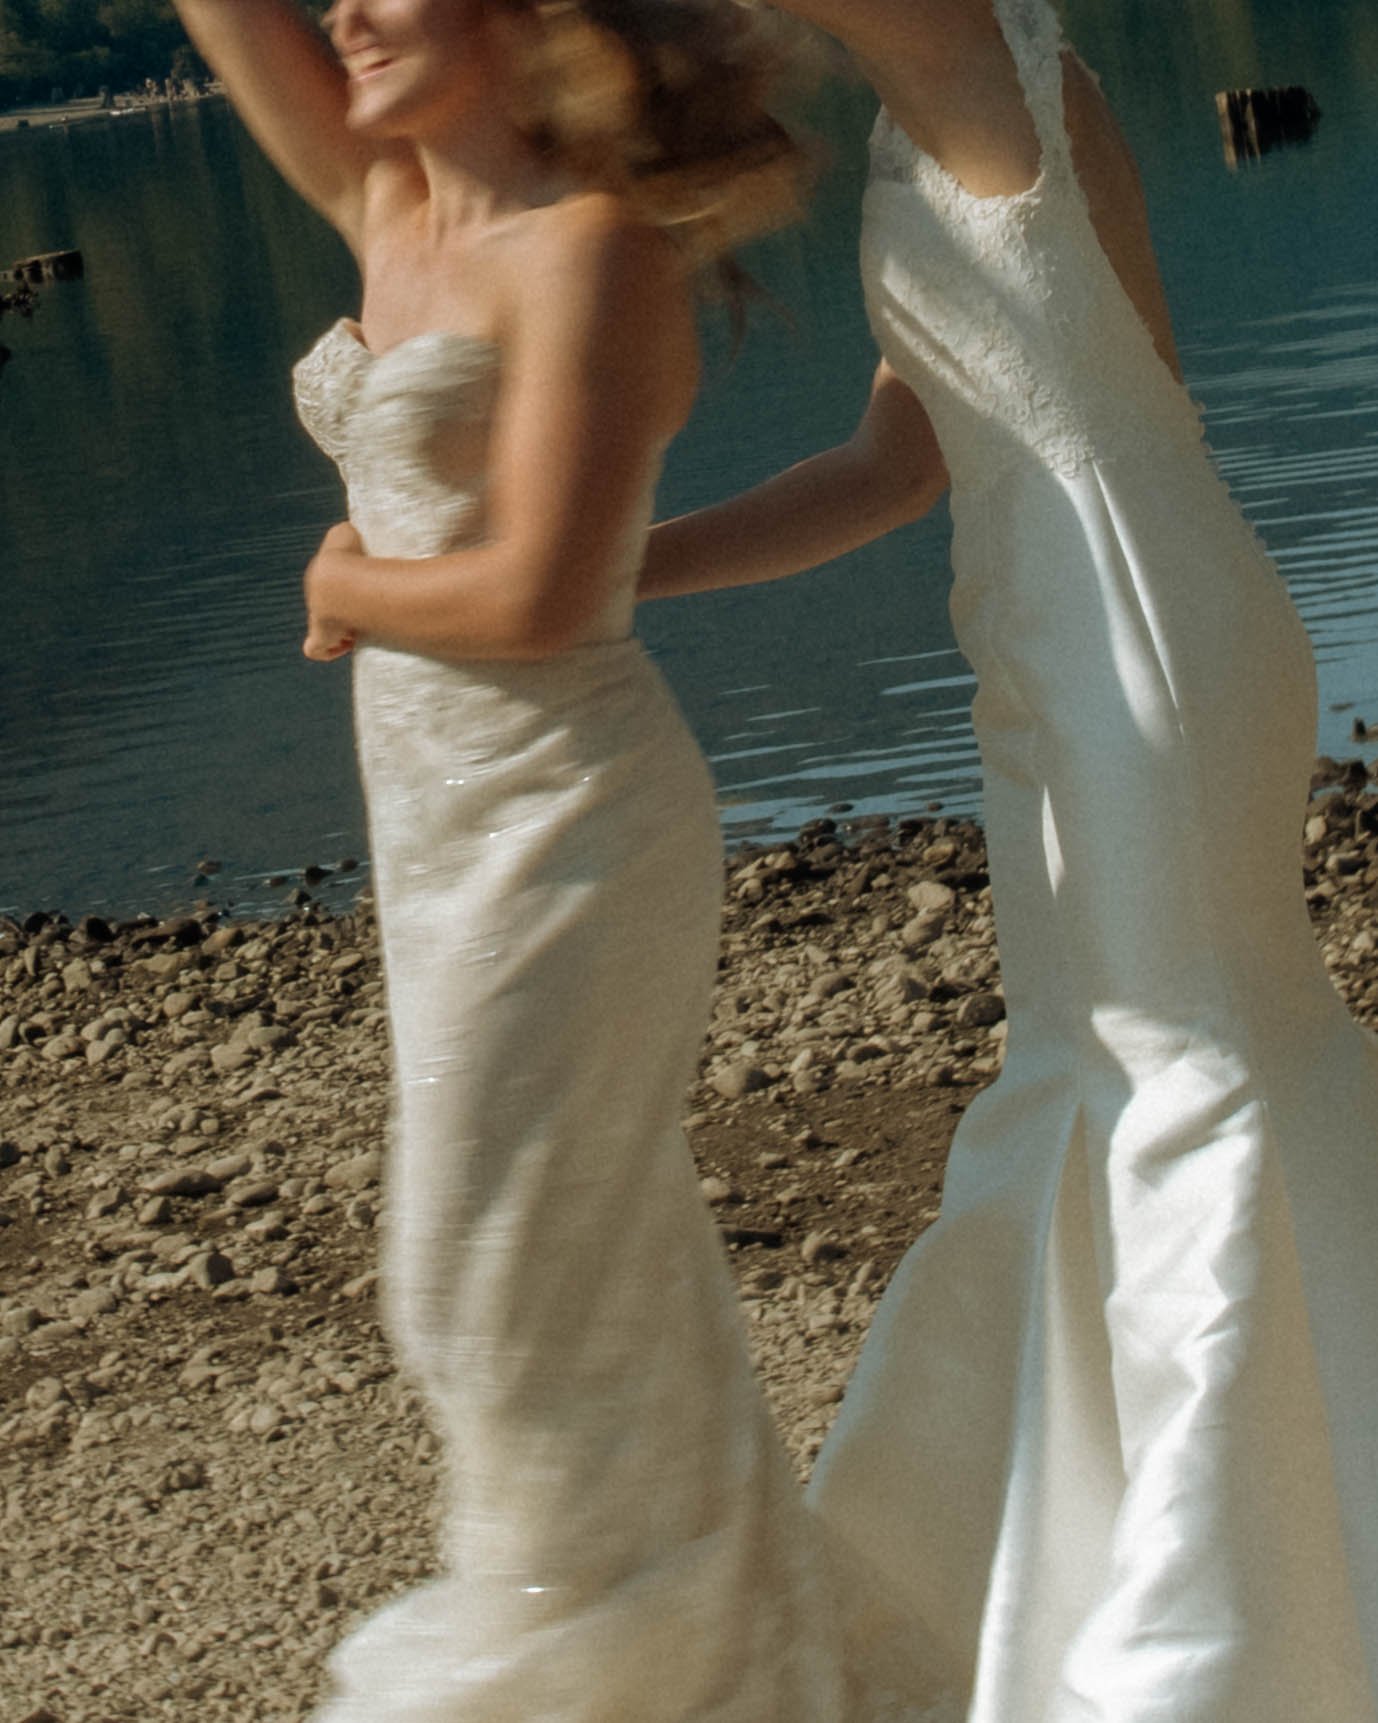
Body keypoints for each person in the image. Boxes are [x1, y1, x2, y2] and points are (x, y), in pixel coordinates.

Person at [169, 0, 962, 1717]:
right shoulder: (391, 207)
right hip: (434, 826)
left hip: (566, 821)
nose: (344, 15)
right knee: (597, 1275)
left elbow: (545, 598)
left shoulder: (591, 250)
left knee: (473, 1278)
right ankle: (747, 1674)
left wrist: (345, 586)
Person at [642, 1, 1378, 1718]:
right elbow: (889, 465)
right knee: (1096, 1074)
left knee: (1190, 1073)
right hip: (1060, 637)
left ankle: (1233, 1626)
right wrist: (609, 574)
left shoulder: (976, 60)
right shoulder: (942, 114)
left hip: (1133, 635)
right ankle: (1119, 1553)